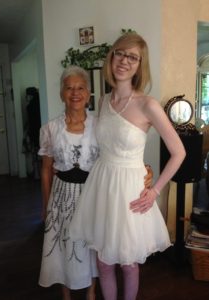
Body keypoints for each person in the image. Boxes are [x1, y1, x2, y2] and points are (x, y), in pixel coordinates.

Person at [70, 33, 186, 300]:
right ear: (111, 58)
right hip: (102, 185)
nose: (124, 61)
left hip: (130, 190)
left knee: (129, 263)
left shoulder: (148, 104)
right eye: (120, 53)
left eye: (132, 57)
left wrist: (155, 190)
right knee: (103, 261)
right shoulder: (102, 102)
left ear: (139, 65)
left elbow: (178, 152)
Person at [38, 65, 153, 300]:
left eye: (80, 87)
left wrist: (145, 169)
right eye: (69, 88)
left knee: (93, 248)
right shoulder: (50, 128)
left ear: (88, 92)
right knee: (64, 244)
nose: (75, 93)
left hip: (96, 192)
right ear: (61, 93)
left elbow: (119, 153)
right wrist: (46, 205)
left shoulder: (99, 124)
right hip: (62, 195)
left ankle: (91, 292)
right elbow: (46, 170)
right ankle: (66, 293)